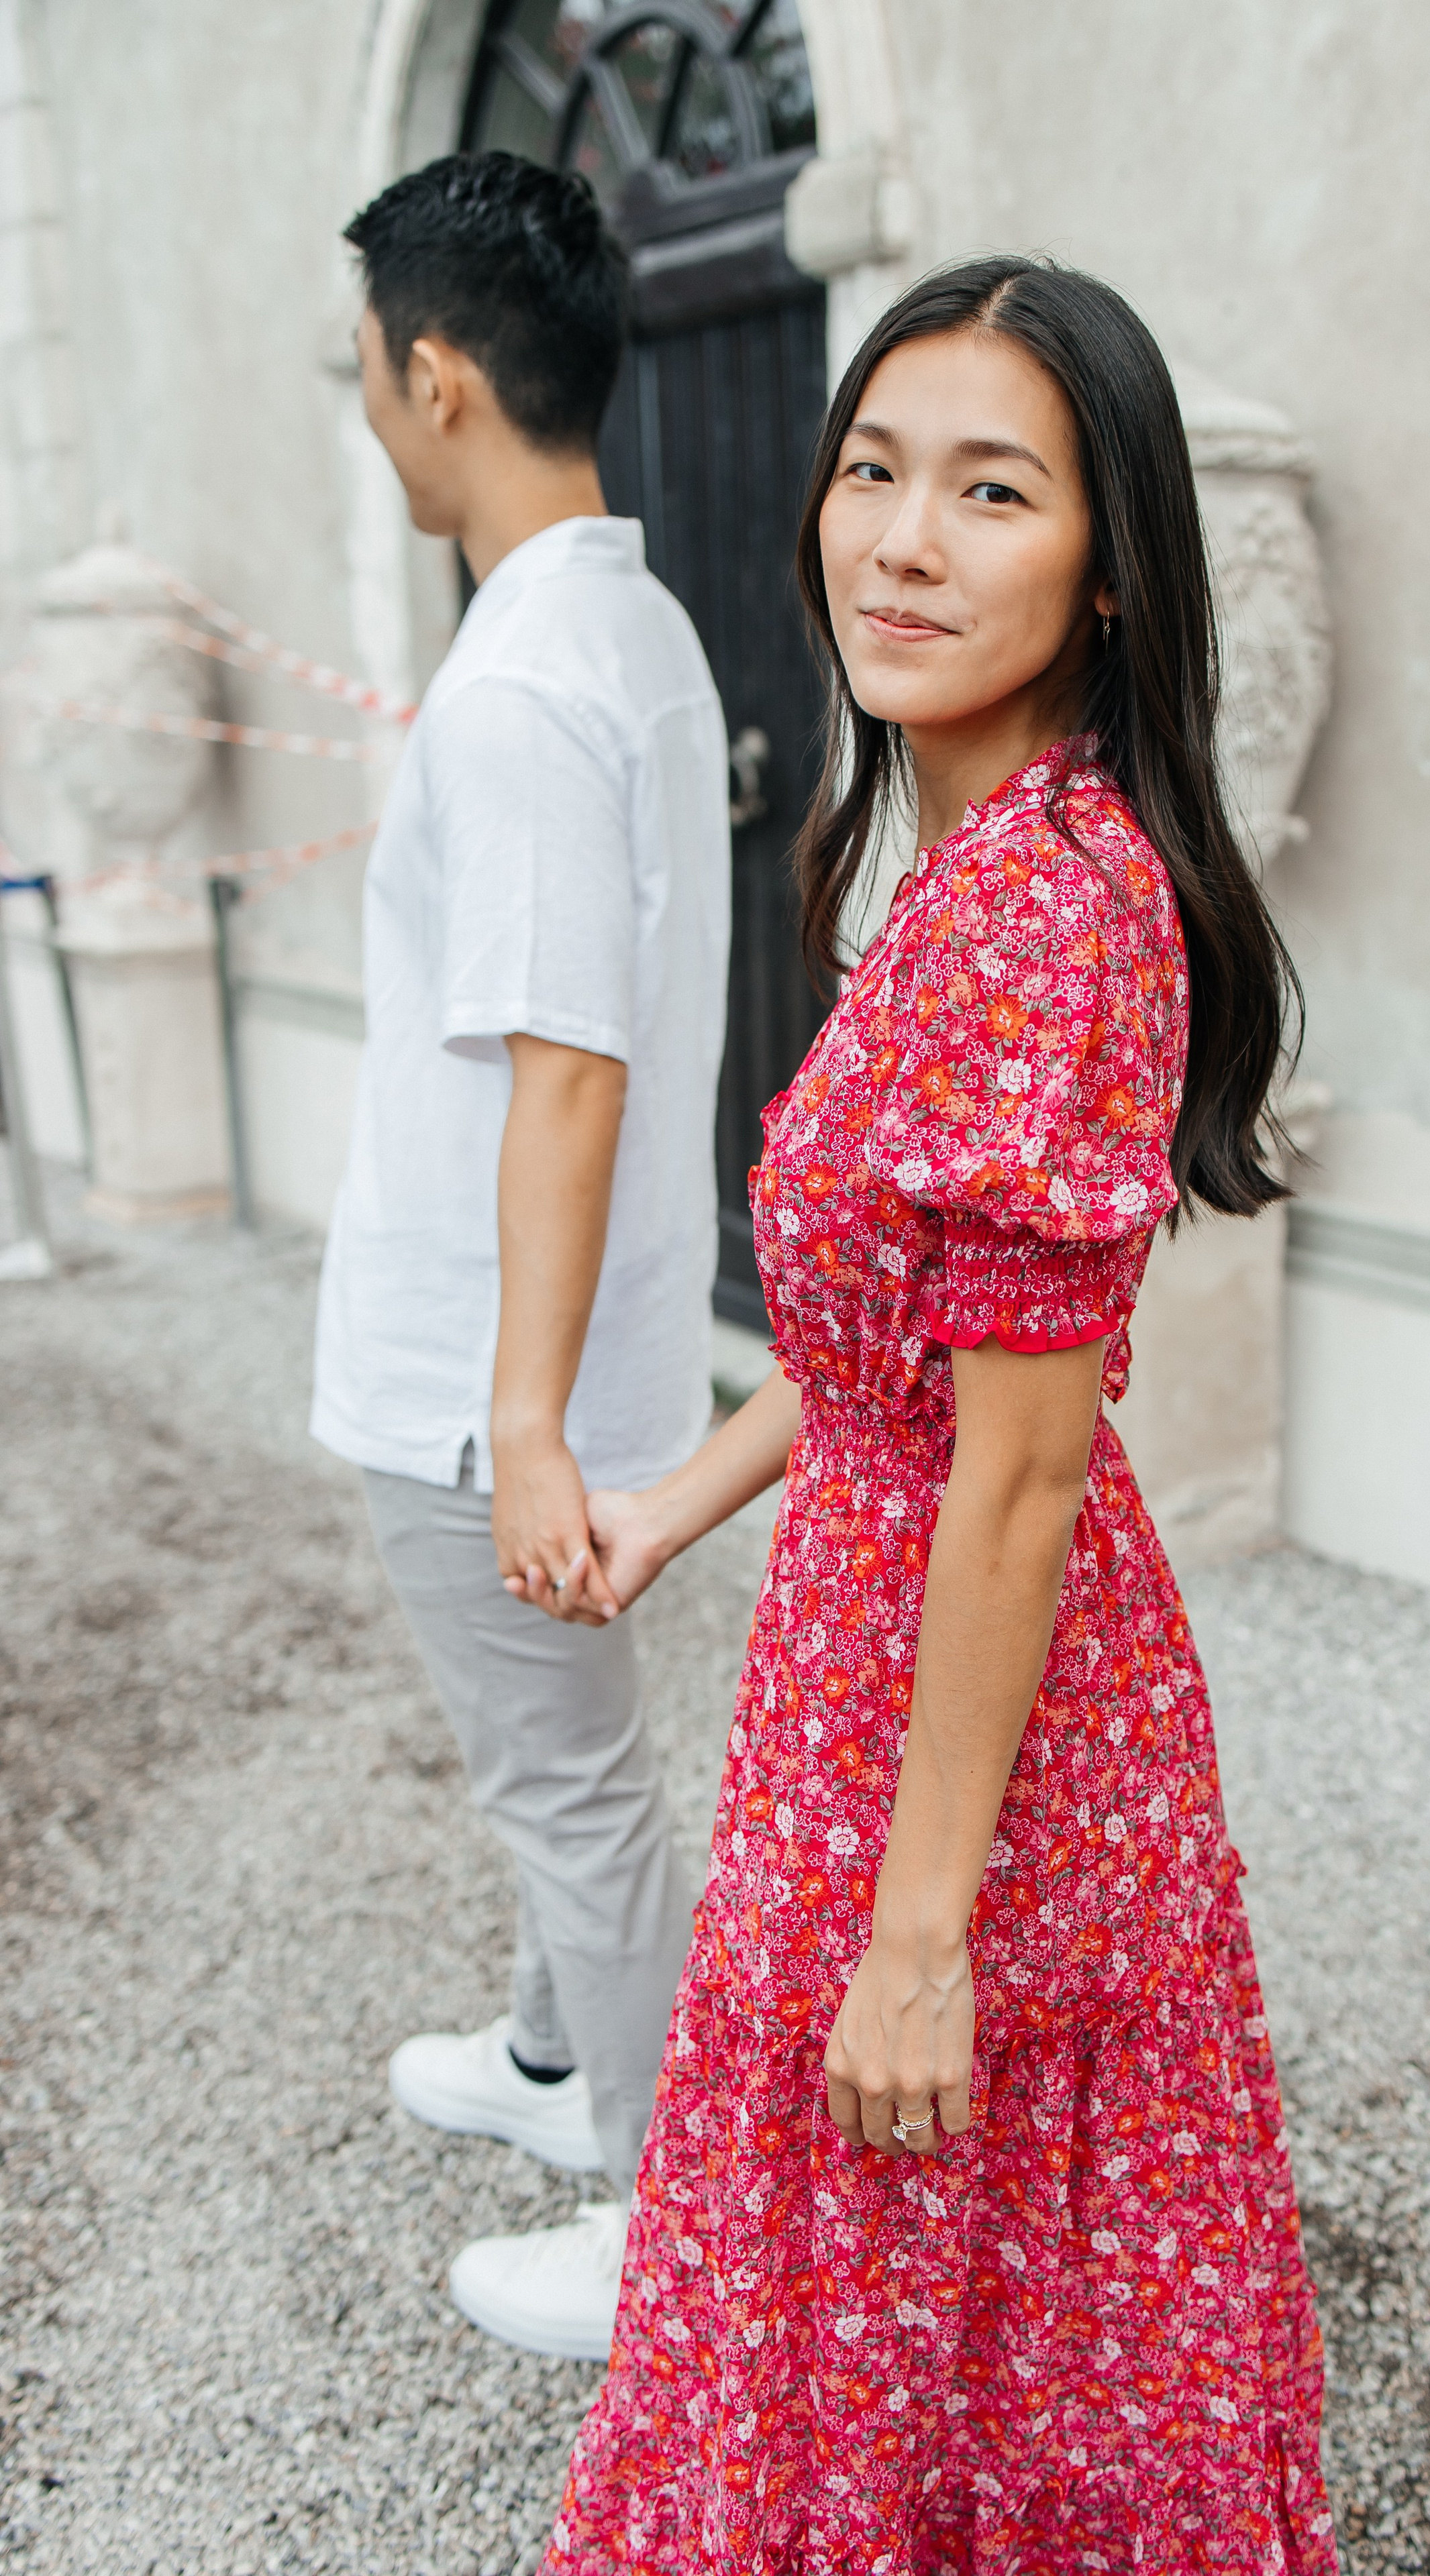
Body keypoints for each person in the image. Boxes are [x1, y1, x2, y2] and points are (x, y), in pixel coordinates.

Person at [527, 252, 1339, 2573]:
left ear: (1106, 575)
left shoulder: (1040, 913)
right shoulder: (991, 868)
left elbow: (1024, 1461)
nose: (901, 540)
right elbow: (900, 1361)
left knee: (913, 2246)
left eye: (993, 492)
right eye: (874, 471)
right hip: (895, 1655)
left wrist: (917, 1931)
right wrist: (679, 1502)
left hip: (959, 1694)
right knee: (963, 2285)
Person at [310, 152, 730, 2357]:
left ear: (442, 373)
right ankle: (561, 2061)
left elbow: (567, 1070)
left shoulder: (521, 684)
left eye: (371, 377)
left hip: (491, 1371)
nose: (369, 415)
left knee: (573, 1780)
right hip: (564, 1349)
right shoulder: (626, 625)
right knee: (551, 1750)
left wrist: (521, 1420)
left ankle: (670, 2232)